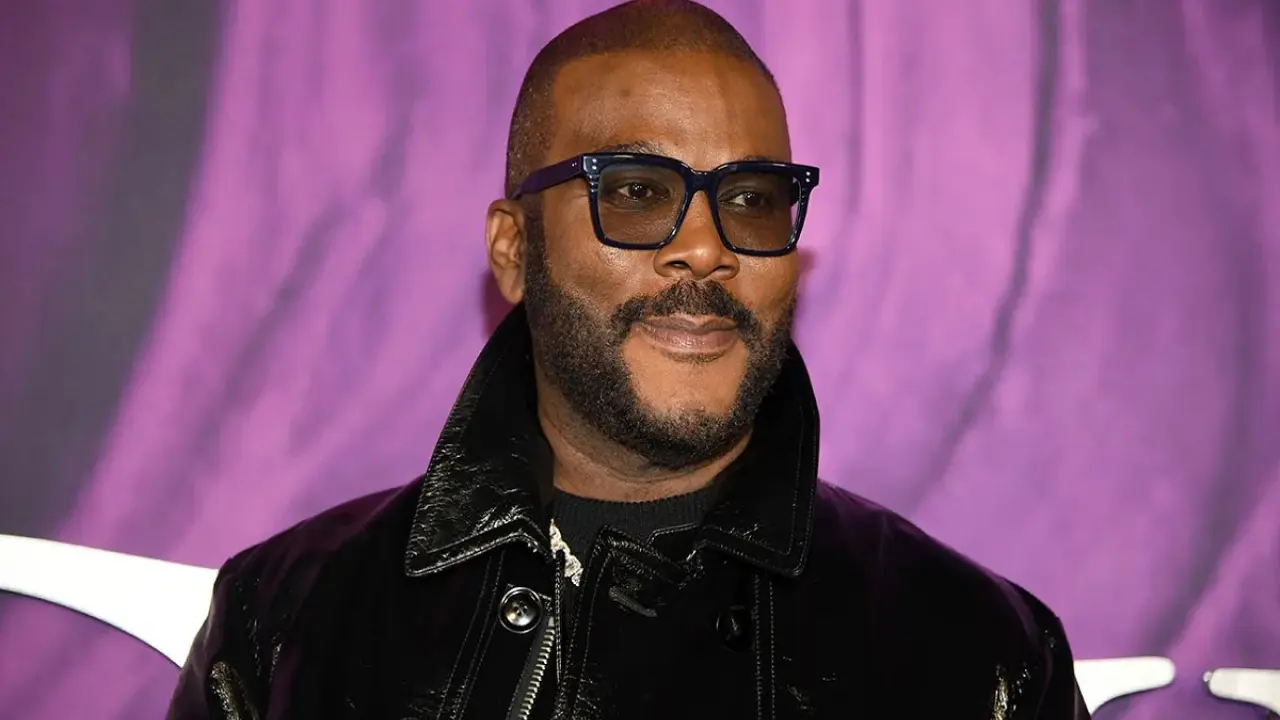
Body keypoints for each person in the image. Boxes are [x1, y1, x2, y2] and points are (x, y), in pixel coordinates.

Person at [168, 1, 1090, 717]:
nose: (707, 249)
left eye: (752, 199)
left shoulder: (981, 656)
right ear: (514, 250)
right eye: (639, 192)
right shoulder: (284, 621)